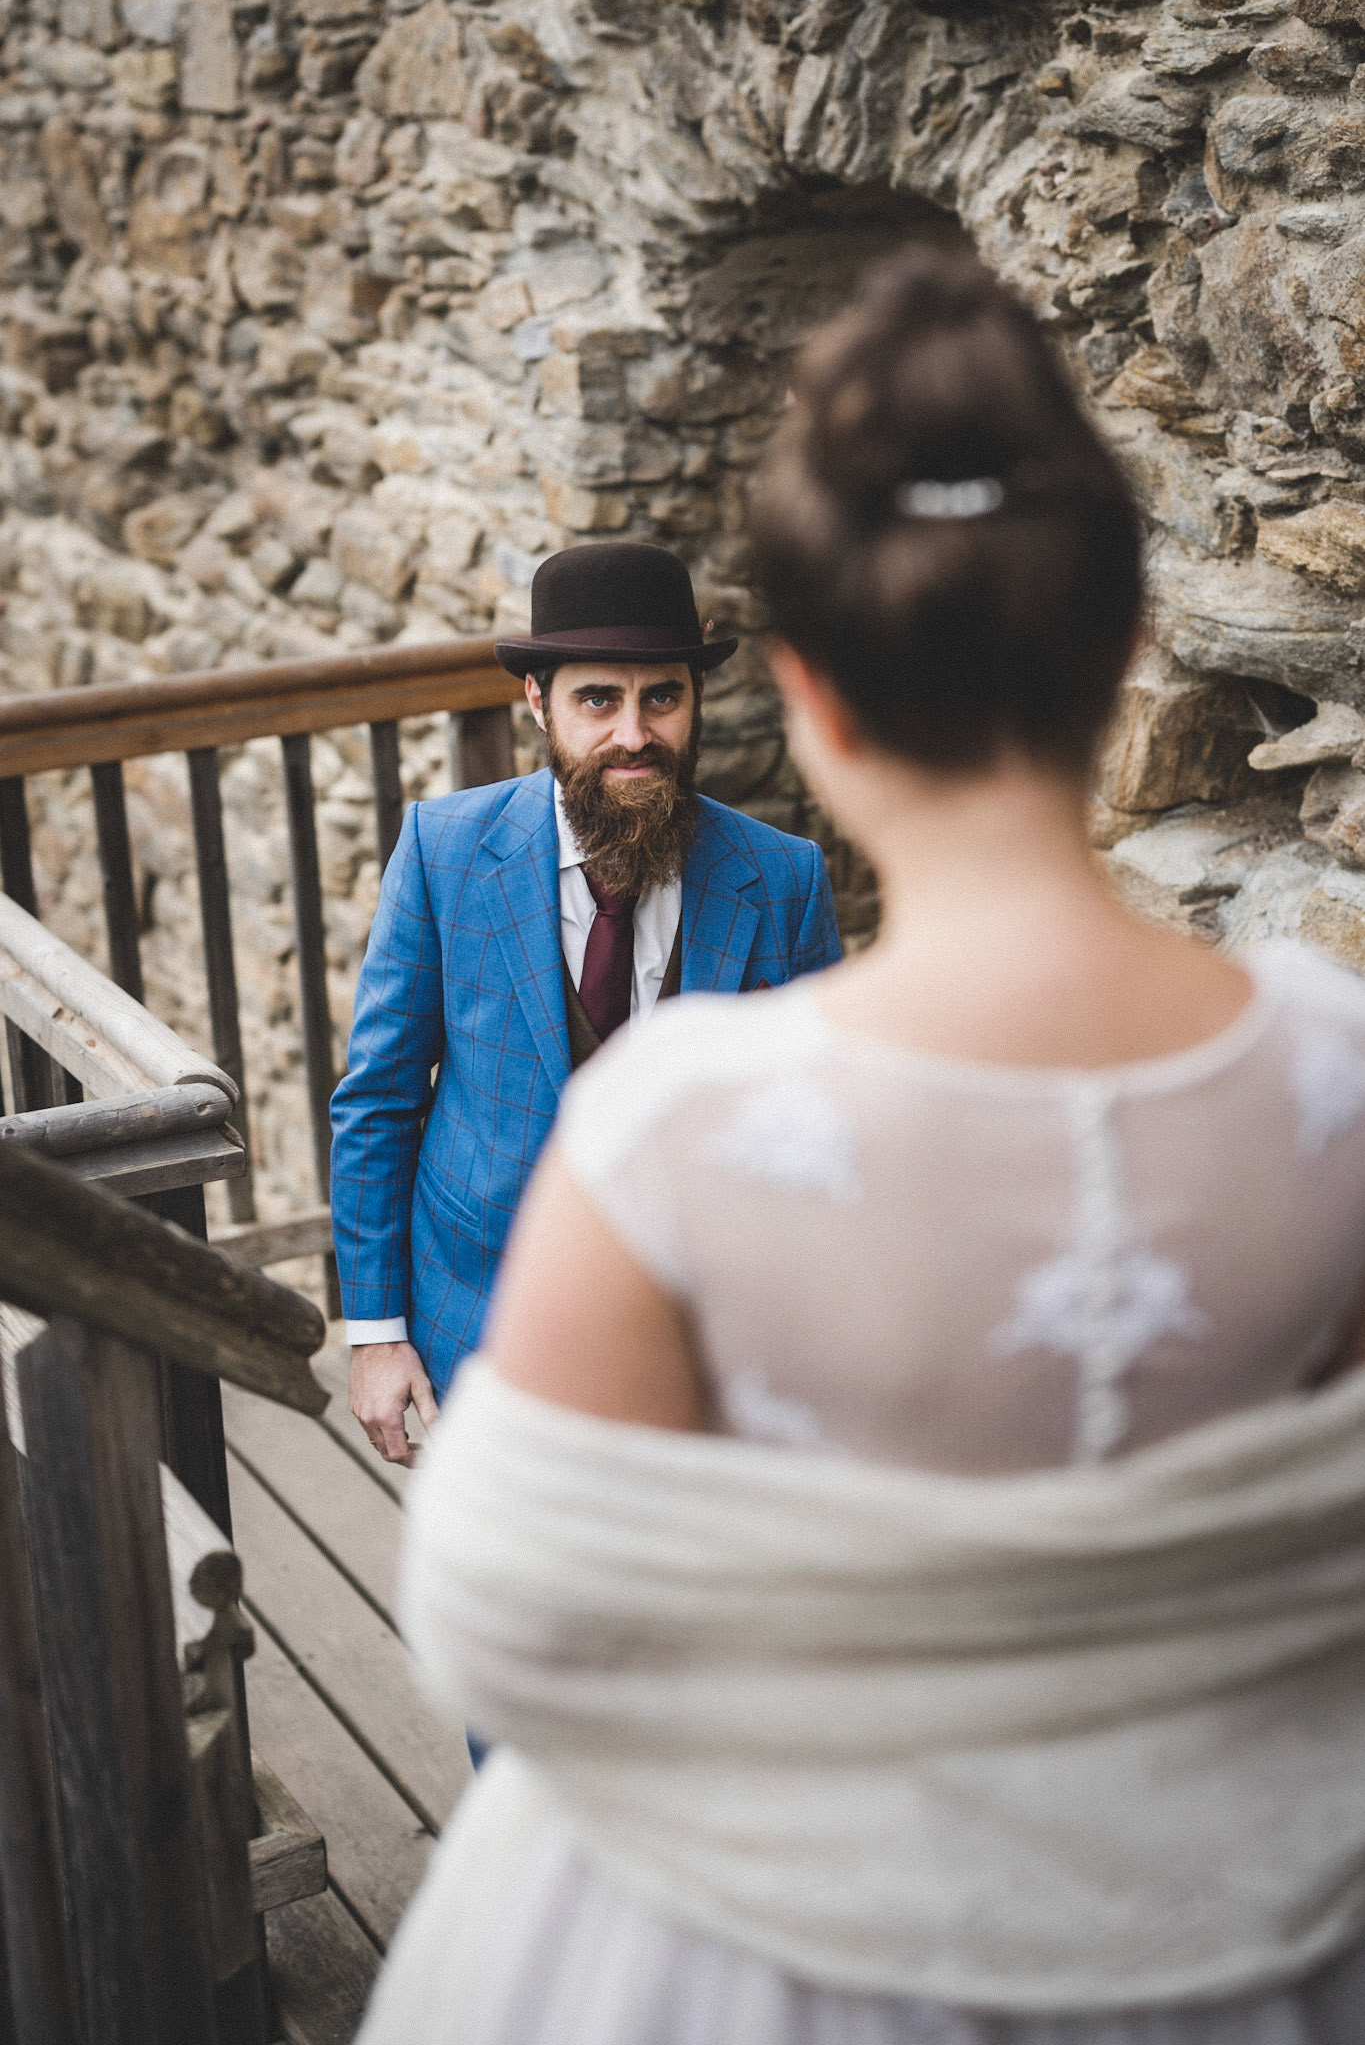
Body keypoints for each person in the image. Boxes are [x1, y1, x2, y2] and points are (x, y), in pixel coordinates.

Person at [359, 245, 1365, 2043]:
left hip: (763, 1958)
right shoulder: (1338, 1076)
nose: (635, 729)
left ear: (803, 694)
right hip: (1261, 1936)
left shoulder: (674, 1123)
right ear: (1128, 647)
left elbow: (497, 1621)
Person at [330, 539, 841, 1465]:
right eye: (598, 700)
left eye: (661, 698)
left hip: (704, 1347)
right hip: (477, 1323)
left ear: (695, 699)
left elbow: (810, 1131)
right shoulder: (445, 852)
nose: (633, 735)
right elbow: (378, 1101)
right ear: (539, 703)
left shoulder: (784, 879)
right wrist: (375, 1333)